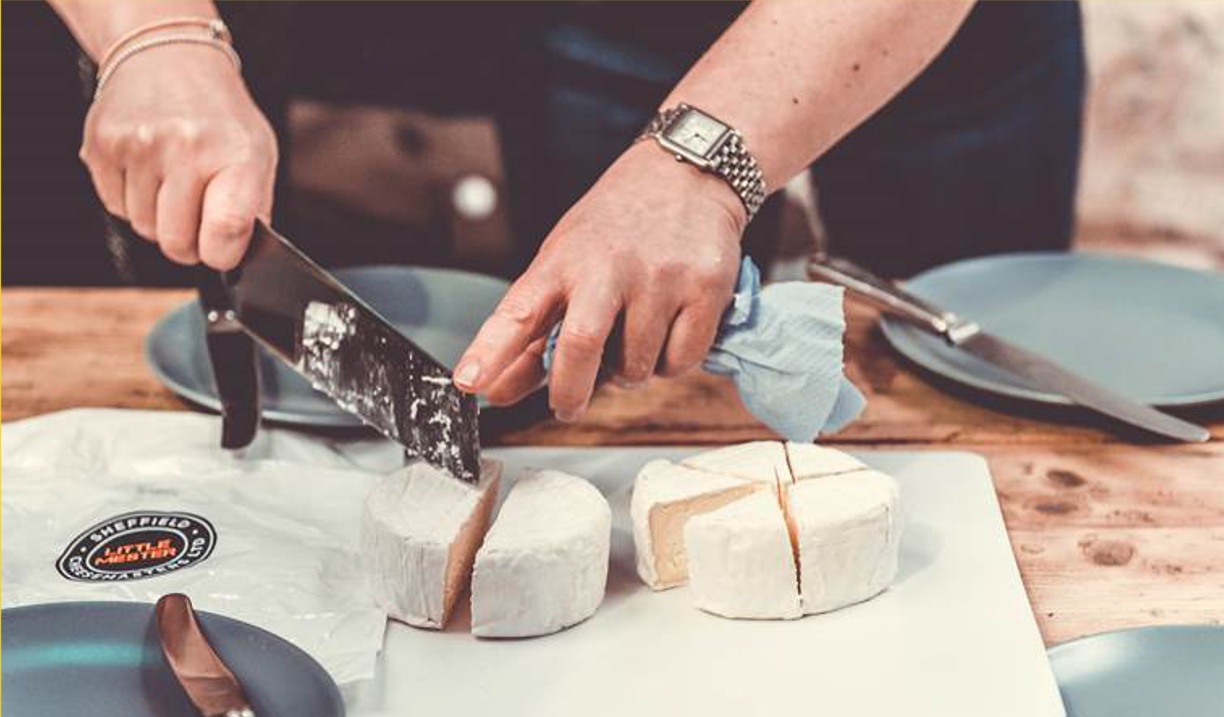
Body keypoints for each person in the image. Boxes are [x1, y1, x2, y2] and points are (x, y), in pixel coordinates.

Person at [49, 0, 1084, 424]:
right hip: (610, 23)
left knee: (983, 407)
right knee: (612, 381)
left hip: (942, 37)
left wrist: (692, 166)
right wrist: (152, 31)